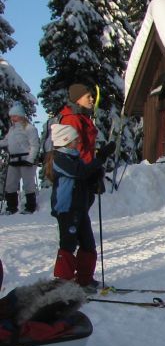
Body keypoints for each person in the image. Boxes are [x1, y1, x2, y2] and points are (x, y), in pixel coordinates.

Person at [49, 122, 112, 291]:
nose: (77, 143)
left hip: (80, 208)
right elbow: (79, 173)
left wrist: (96, 177)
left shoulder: (74, 158)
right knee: (68, 245)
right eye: (74, 140)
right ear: (65, 140)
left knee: (88, 244)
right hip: (67, 209)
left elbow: (84, 176)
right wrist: (99, 160)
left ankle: (84, 280)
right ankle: (64, 283)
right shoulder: (60, 159)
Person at [3, 102, 41, 214]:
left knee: (28, 184)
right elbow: (6, 141)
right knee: (10, 184)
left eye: (14, 116)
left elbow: (35, 145)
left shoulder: (30, 128)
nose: (12, 119)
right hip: (14, 160)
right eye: (11, 117)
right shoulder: (12, 130)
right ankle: (11, 207)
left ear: (20, 116)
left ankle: (30, 207)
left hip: (26, 160)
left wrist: (31, 159)